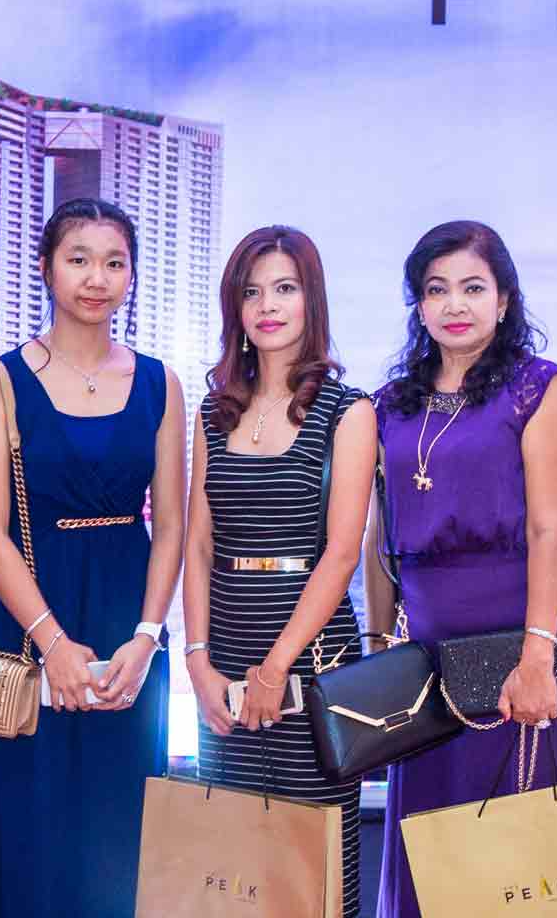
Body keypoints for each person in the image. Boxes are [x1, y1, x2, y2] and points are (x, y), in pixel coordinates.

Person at [0, 198, 185, 918]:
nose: (97, 278)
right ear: (47, 269)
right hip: (31, 629)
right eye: (79, 259)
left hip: (129, 634)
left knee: (122, 835)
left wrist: (147, 638)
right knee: (30, 830)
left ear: (132, 276)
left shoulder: (159, 383)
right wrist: (52, 643)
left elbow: (171, 525)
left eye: (114, 263)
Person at [366, 220, 557, 918]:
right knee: (429, 845)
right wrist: (377, 649)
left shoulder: (540, 388)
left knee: (516, 862)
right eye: (437, 290)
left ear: (504, 298)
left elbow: (551, 531)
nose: (455, 304)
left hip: (519, 642)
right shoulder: (391, 403)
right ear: (419, 304)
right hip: (426, 653)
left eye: (472, 287)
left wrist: (538, 658)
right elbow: (379, 535)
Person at [182, 225, 377, 918]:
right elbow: (198, 545)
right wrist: (197, 658)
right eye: (252, 292)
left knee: (310, 862)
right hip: (225, 660)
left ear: (310, 300)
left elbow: (342, 553)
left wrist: (275, 668)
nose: (267, 306)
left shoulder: (348, 410)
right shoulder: (214, 412)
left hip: (311, 660)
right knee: (233, 867)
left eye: (285, 289)